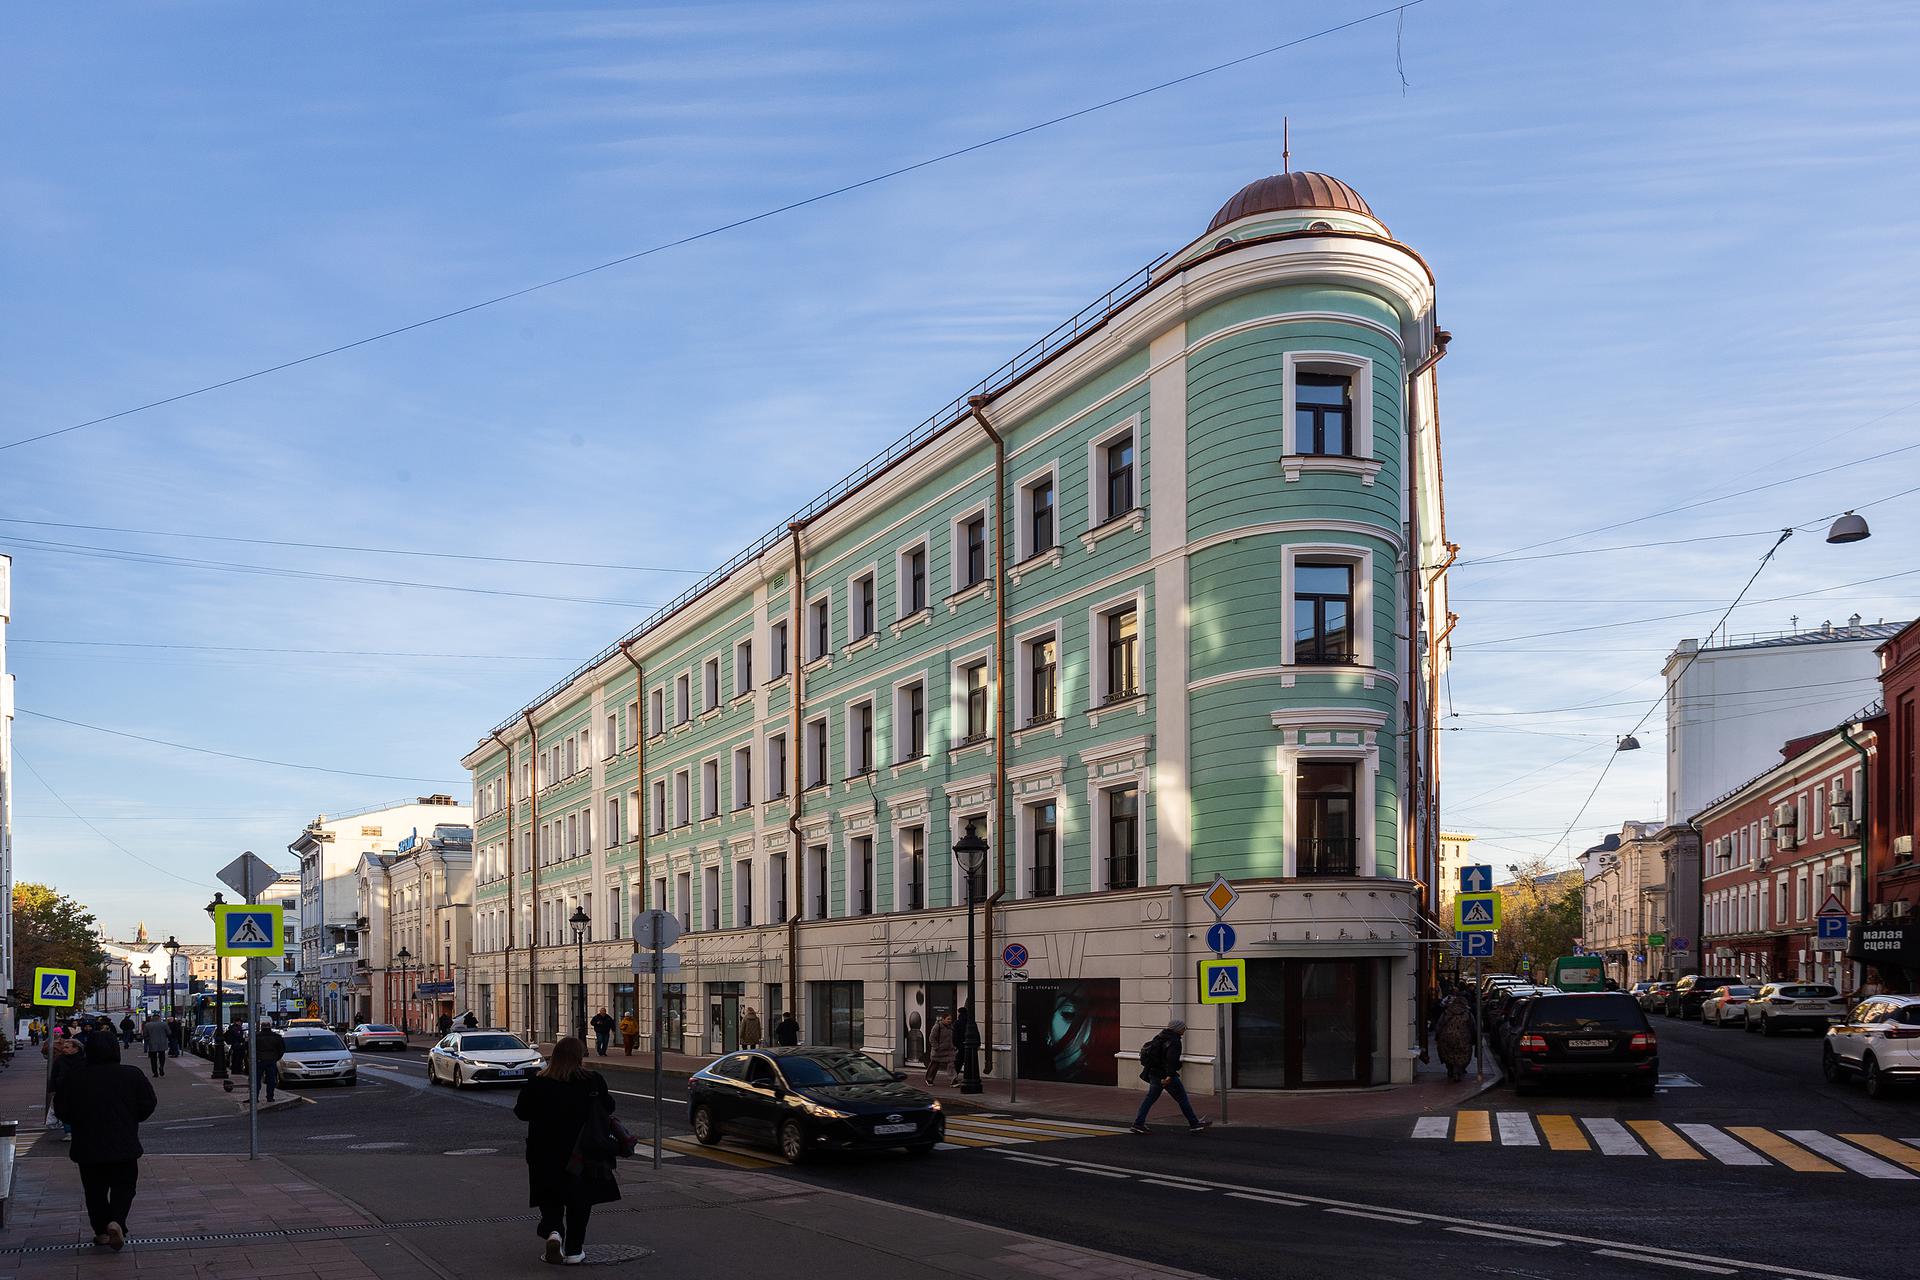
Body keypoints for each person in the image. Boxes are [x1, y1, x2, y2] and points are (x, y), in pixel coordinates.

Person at [513, 1037, 619, 1265]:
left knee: (549, 1195)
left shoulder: (538, 1081)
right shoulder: (592, 1081)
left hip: (543, 1151)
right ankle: (574, 1251)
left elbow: (521, 1112)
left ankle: (554, 1232)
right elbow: (609, 1107)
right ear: (579, 1057)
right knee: (580, 1200)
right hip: (582, 1153)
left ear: (555, 1056)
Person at [54, 1033, 157, 1251]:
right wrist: (132, 1118)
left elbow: (61, 1108)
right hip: (123, 1142)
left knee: (94, 1190)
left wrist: (77, 1122)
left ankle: (101, 1231)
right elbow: (148, 1103)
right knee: (124, 1186)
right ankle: (116, 1221)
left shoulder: (75, 1077)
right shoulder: (131, 1074)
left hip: (87, 1144)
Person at [1130, 1019, 1210, 1134]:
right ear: (1177, 1029)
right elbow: (1171, 1060)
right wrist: (1170, 1076)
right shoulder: (1174, 1041)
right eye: (1183, 1028)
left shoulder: (1159, 1037)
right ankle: (1194, 1124)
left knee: (1150, 1099)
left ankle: (1138, 1124)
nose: (1184, 1030)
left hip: (1154, 1073)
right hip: (1166, 1075)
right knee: (1182, 1098)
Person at [48, 1035, 85, 1140]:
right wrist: (53, 1088)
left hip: (79, 1090)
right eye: (63, 1047)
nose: (64, 1049)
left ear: (76, 1048)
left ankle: (78, 1131)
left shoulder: (83, 1060)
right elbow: (54, 1074)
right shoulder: (60, 1060)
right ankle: (69, 1132)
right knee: (63, 1110)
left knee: (79, 1110)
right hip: (63, 1090)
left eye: (67, 1047)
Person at [1434, 991, 1475, 1083]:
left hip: (1446, 1037)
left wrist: (1437, 1036)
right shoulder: (1467, 1014)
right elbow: (1472, 1027)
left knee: (1448, 1054)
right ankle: (1458, 1071)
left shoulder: (1446, 1012)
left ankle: (1450, 1069)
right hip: (1463, 1038)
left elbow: (1439, 1025)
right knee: (1462, 1055)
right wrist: (1474, 1038)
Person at [255, 1024, 286, 1103]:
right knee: (271, 1079)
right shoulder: (276, 1037)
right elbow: (282, 1049)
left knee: (256, 1079)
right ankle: (270, 1097)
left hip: (259, 1060)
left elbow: (249, 1048)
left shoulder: (256, 1037)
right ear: (270, 1027)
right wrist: (276, 1058)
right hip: (271, 1060)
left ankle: (255, 1097)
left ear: (261, 1027)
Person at [924, 1011, 957, 1086]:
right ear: (943, 1019)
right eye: (948, 1019)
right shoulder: (937, 1026)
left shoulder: (951, 1027)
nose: (950, 1021)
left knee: (951, 1065)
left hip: (949, 1050)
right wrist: (936, 1047)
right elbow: (932, 1038)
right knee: (934, 1065)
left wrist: (953, 1046)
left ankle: (953, 1080)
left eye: (950, 1019)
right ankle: (929, 1079)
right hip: (938, 1051)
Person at [140, 1014, 170, 1078]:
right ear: (159, 1018)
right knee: (162, 1056)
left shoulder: (147, 1025)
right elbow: (169, 1033)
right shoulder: (164, 1024)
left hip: (152, 1043)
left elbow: (145, 1035)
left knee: (153, 1058)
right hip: (162, 1043)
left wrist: (148, 1039)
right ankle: (161, 1066)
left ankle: (155, 1072)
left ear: (152, 1018)